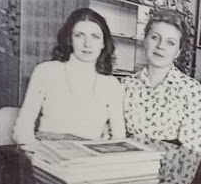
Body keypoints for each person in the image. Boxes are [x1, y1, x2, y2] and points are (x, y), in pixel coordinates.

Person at [13, 8, 125, 143]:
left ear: (103, 43)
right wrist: (35, 152)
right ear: (69, 40)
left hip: (87, 152)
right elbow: (23, 128)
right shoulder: (45, 71)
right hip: (46, 148)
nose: (87, 44)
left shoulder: (112, 84)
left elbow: (119, 137)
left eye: (95, 37)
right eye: (79, 35)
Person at [123, 9, 201, 153]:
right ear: (144, 40)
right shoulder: (125, 85)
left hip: (169, 166)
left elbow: (192, 153)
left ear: (178, 52)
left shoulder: (190, 90)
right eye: (155, 37)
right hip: (127, 163)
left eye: (170, 42)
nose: (160, 46)